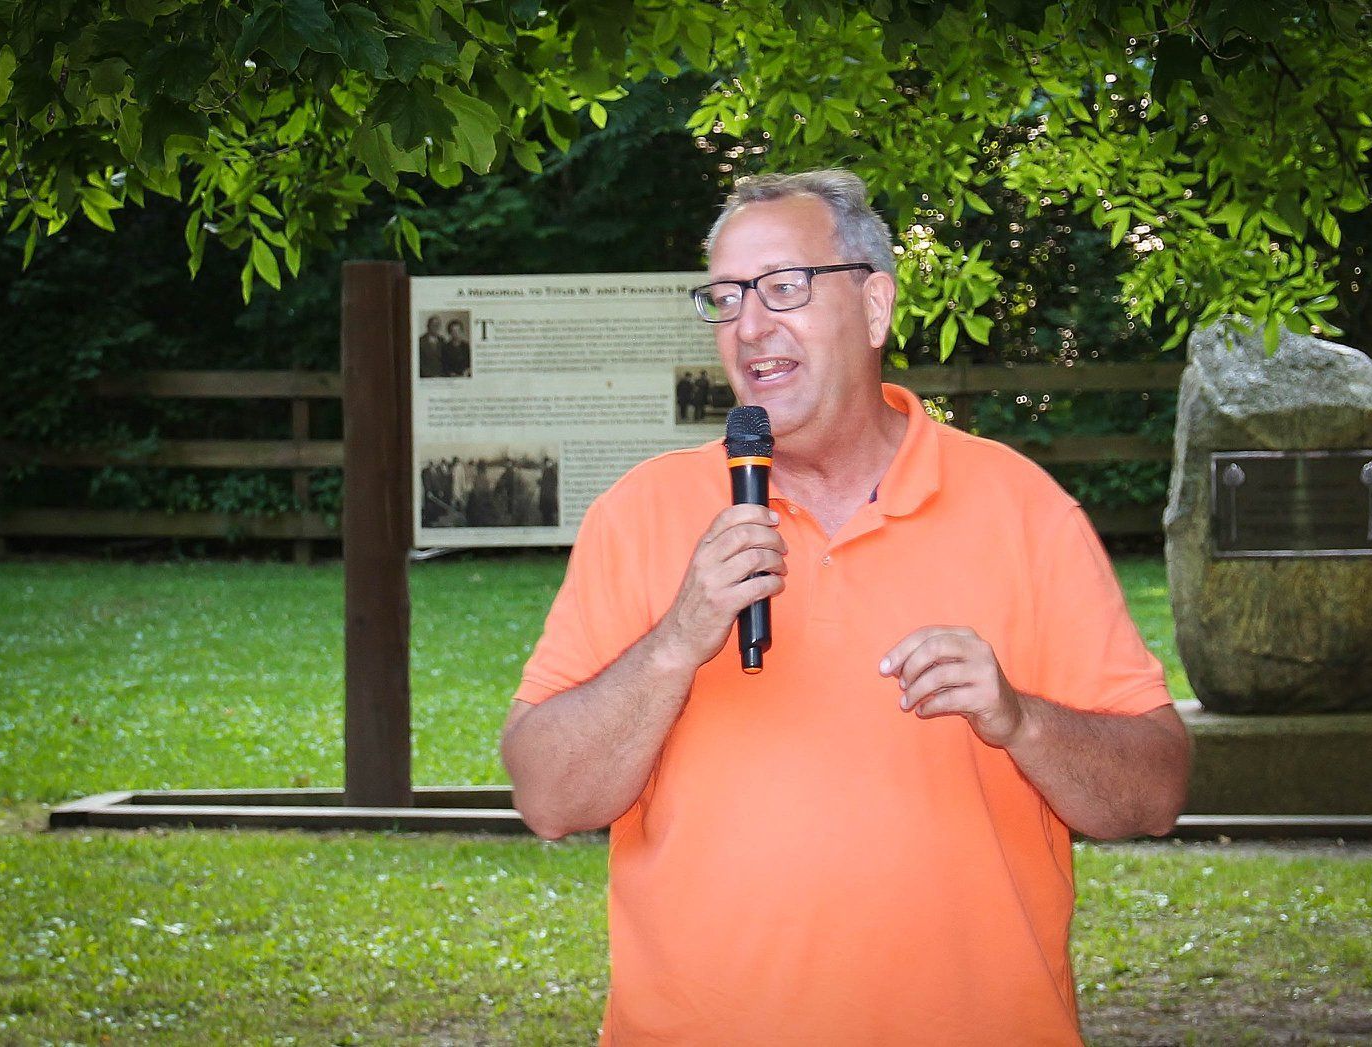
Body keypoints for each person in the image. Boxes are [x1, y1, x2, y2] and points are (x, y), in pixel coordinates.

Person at [500, 169, 1189, 1045]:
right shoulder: (638, 514)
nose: (750, 325)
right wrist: (675, 641)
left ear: (874, 307)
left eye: (784, 287)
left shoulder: (1023, 509)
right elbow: (547, 796)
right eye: (726, 297)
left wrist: (1021, 720)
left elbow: (1154, 793)